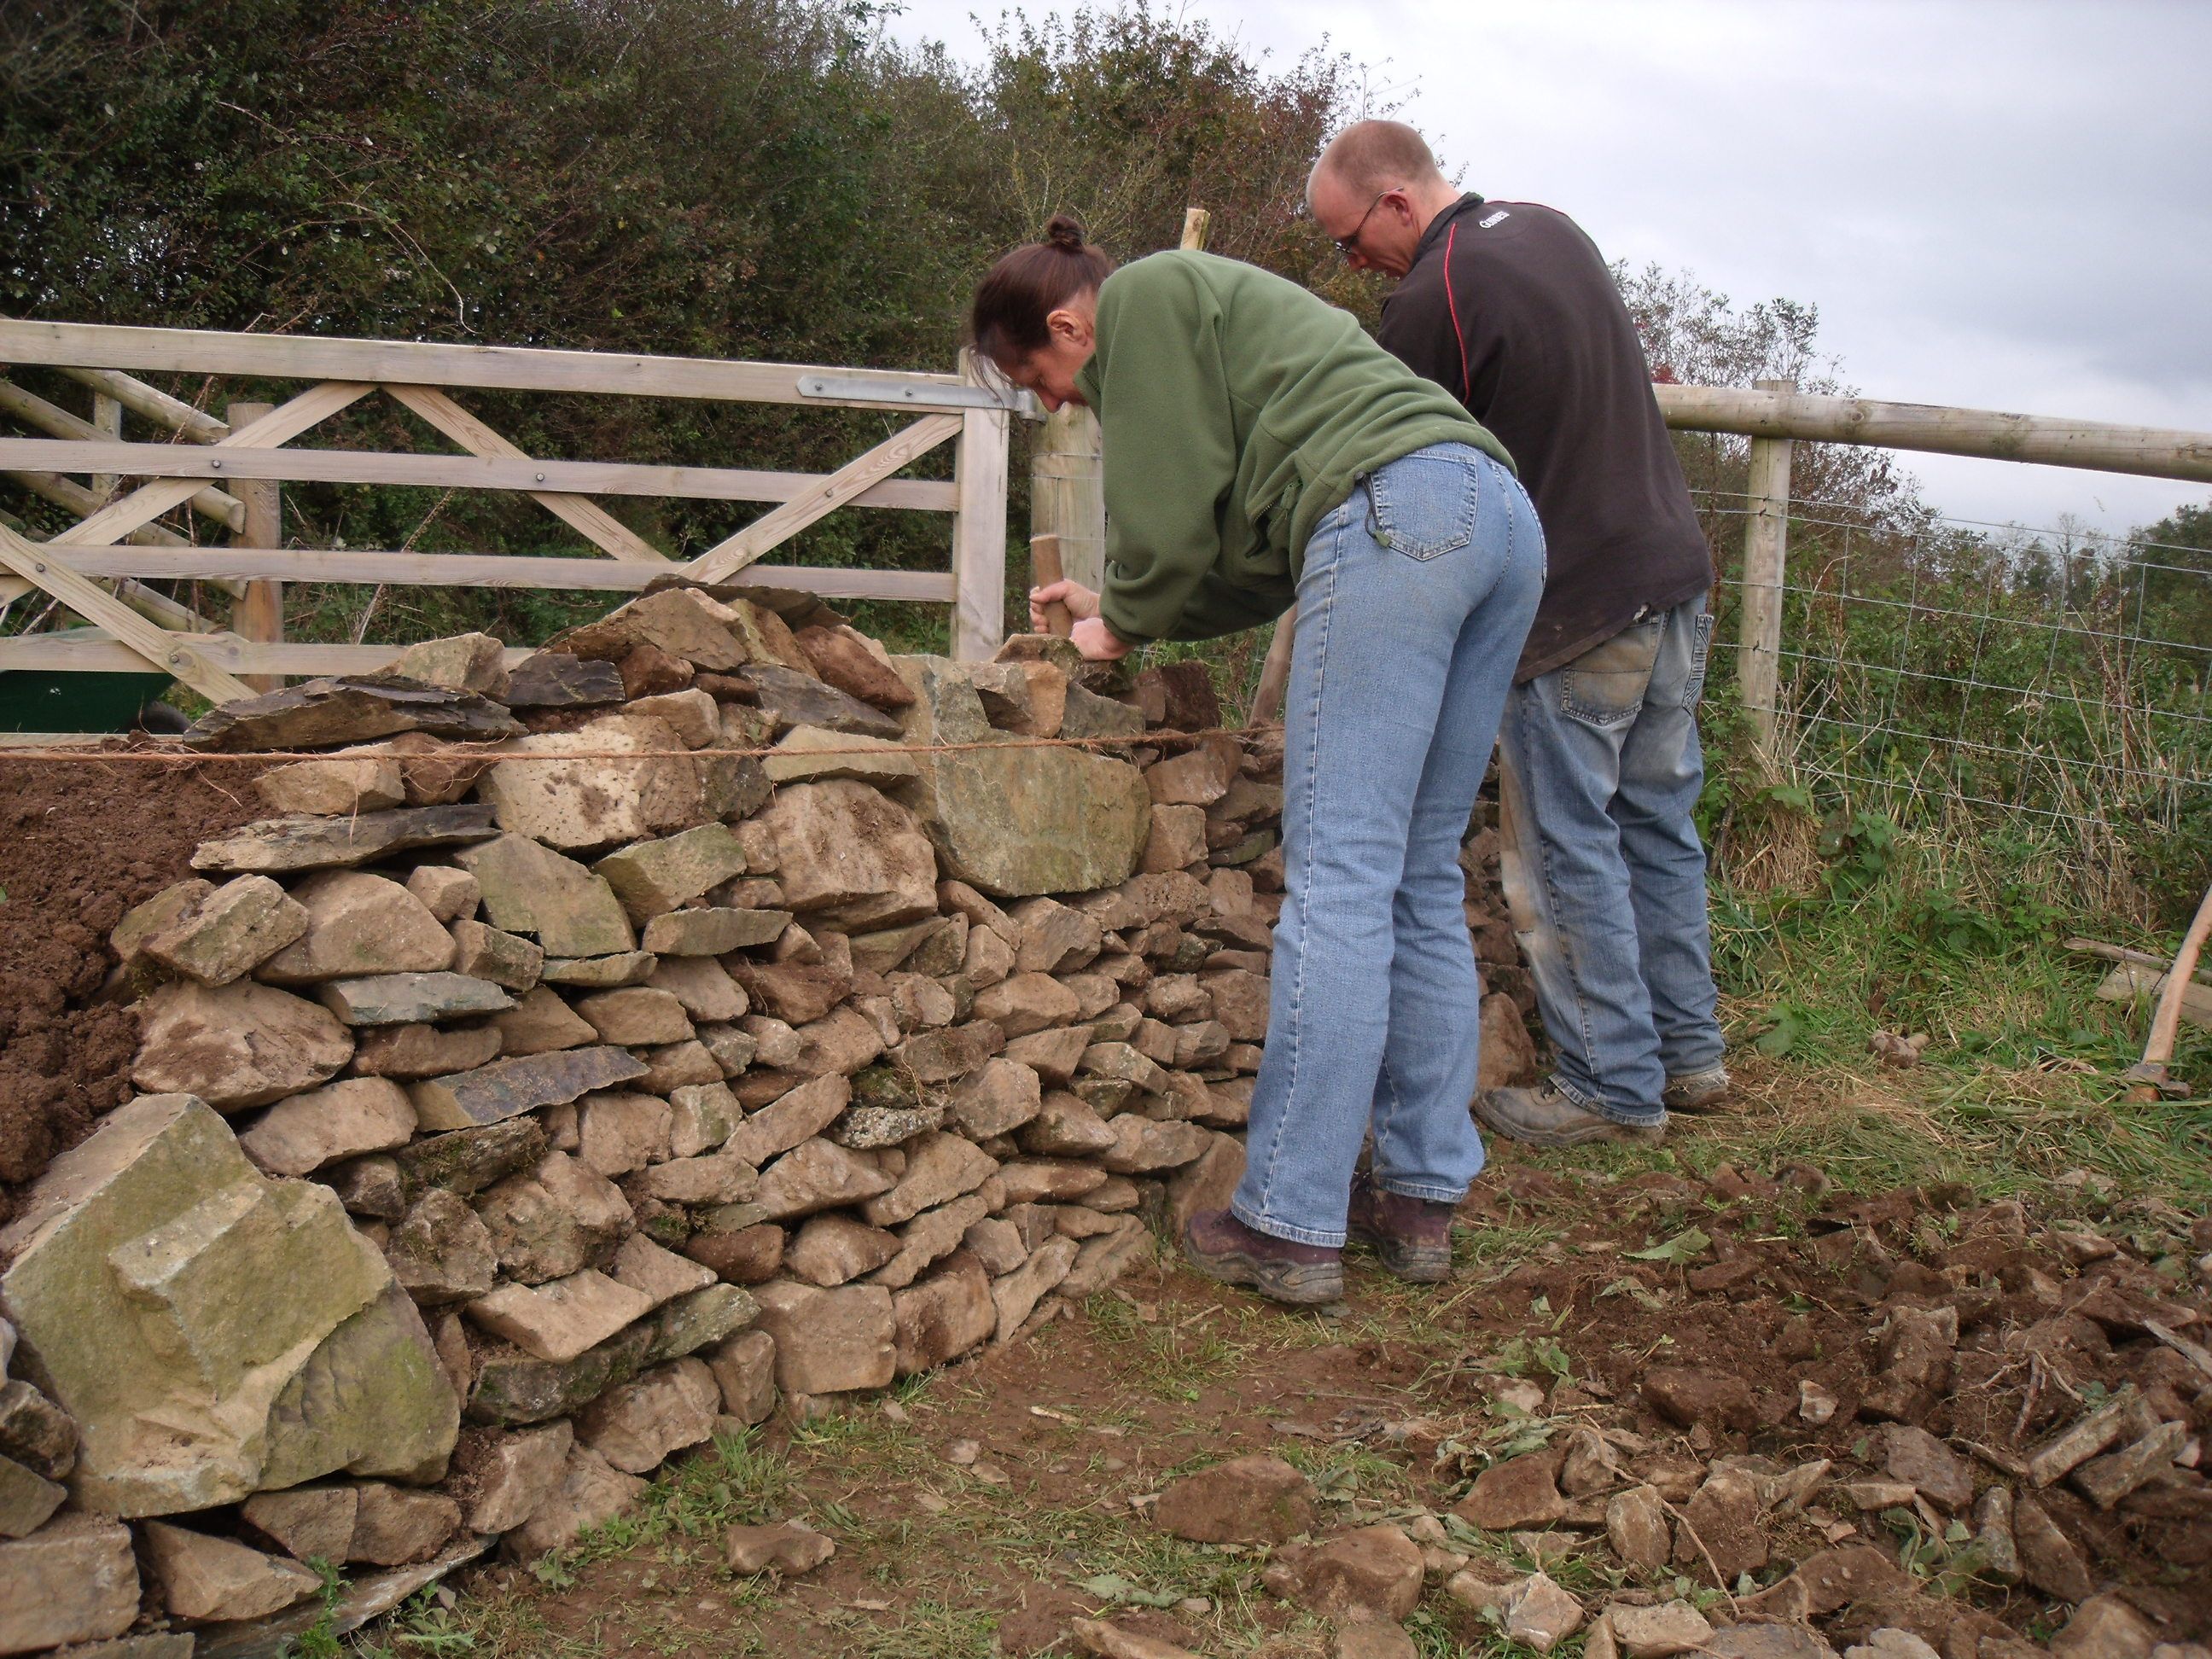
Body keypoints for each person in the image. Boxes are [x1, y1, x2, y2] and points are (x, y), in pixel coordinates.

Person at [968, 216, 1543, 1305]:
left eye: (1035, 375)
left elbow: (1172, 533)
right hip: (1498, 520)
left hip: (1396, 516)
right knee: (1417, 873)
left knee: (1338, 878)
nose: (1050, 404)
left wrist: (1118, 624)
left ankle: (1289, 1218)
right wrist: (1122, 609)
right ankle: (1420, 1199)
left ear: (1064, 323)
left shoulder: (1139, 298)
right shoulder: (1229, 335)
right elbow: (1247, 569)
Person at [1306, 119, 1729, 1147]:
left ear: (1398, 202)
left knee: (1561, 850)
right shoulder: (1549, 229)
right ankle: (1688, 1055)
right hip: (1672, 574)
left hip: (1577, 607)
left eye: (1350, 240)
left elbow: (1394, 471)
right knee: (1658, 824)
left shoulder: (1433, 297)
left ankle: (1611, 1089)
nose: (1354, 266)